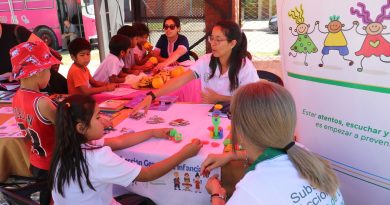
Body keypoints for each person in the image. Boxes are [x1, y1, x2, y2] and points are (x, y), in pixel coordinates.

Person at [201, 81, 344, 205]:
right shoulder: (301, 152)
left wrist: (217, 195)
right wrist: (232, 155)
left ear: (240, 130)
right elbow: (272, 158)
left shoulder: (252, 189)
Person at [49, 94, 203, 204]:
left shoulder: (67, 148)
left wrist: (153, 132)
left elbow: (119, 141)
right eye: (97, 117)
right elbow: (148, 174)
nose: (103, 120)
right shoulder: (97, 157)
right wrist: (184, 154)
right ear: (81, 128)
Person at [131, 20, 259, 115]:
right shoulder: (206, 61)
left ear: (232, 43)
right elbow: (179, 80)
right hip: (208, 115)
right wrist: (152, 95)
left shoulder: (244, 66)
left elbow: (253, 99)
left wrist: (220, 98)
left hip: (237, 117)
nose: (213, 44)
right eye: (211, 38)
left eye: (218, 40)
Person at [11, 41, 62, 205]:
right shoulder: (42, 102)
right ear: (37, 72)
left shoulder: (16, 97)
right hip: (53, 164)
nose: (51, 74)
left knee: (45, 196)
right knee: (55, 197)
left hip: (35, 161)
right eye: (49, 70)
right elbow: (66, 127)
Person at [0, 23, 68, 94]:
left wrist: (21, 73)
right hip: (13, 94)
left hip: (44, 86)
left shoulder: (16, 32)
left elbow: (46, 55)